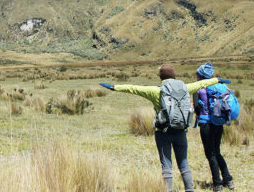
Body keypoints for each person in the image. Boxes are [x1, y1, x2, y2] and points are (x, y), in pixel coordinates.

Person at [99, 64, 231, 192]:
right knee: (184, 164)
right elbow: (202, 84)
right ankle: (189, 189)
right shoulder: (186, 87)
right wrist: (218, 79)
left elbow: (134, 88)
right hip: (180, 131)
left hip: (162, 133)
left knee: (166, 165)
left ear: (160, 77)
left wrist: (114, 87)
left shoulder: (157, 91)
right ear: (174, 76)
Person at [193, 62, 234, 191]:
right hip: (218, 123)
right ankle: (228, 179)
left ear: (199, 76)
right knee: (217, 151)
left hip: (206, 124)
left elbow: (196, 107)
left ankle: (217, 184)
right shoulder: (218, 86)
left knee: (210, 154)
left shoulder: (197, 88)